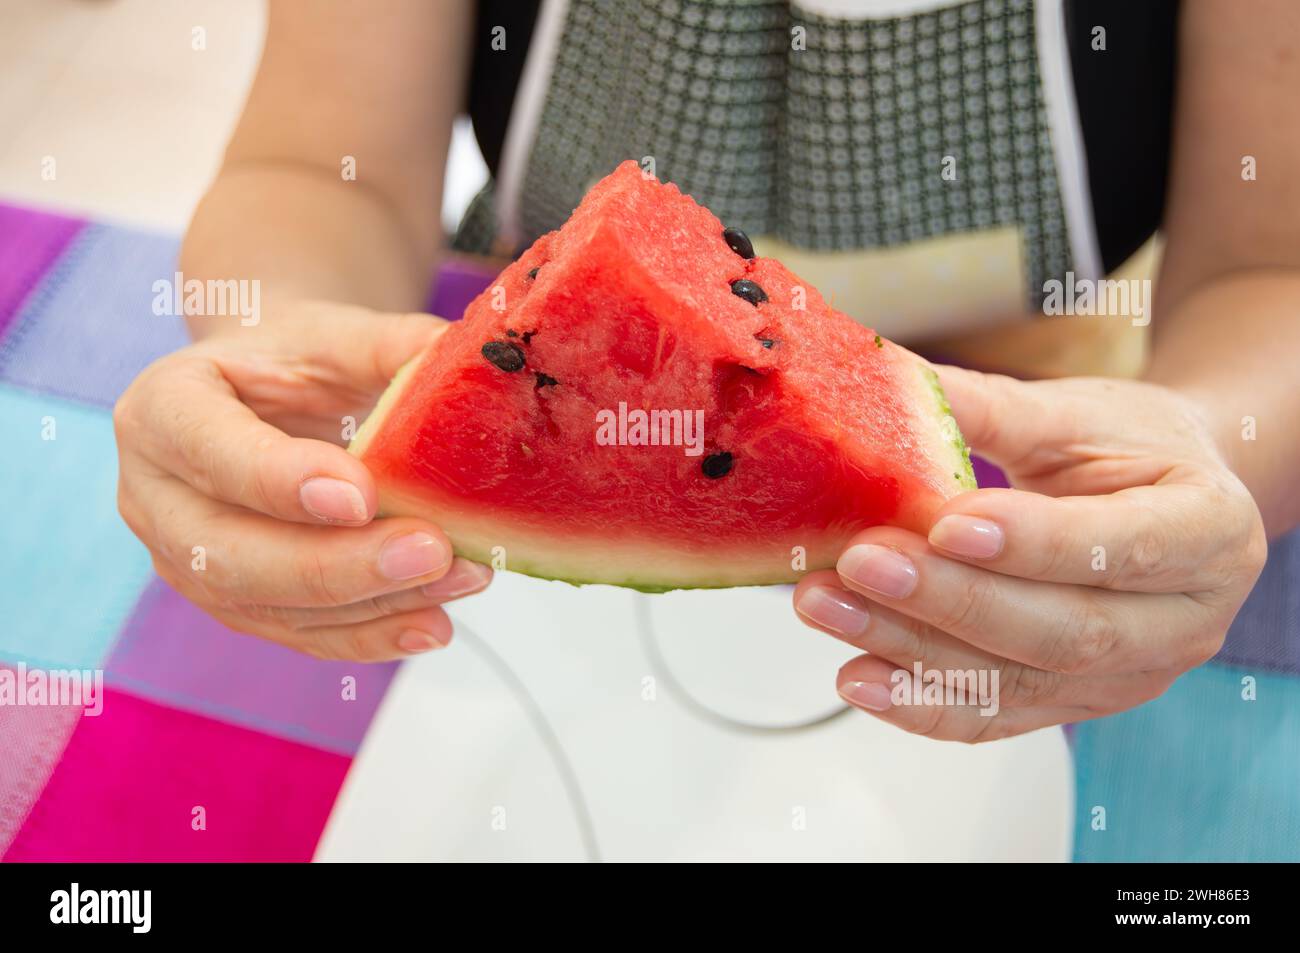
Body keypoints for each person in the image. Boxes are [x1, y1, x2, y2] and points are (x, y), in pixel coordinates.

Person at [114, 1, 1294, 801]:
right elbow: (316, 170)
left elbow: (1269, 270)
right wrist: (273, 347)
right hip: (542, 362)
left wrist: (1214, 455)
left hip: (1045, 397)